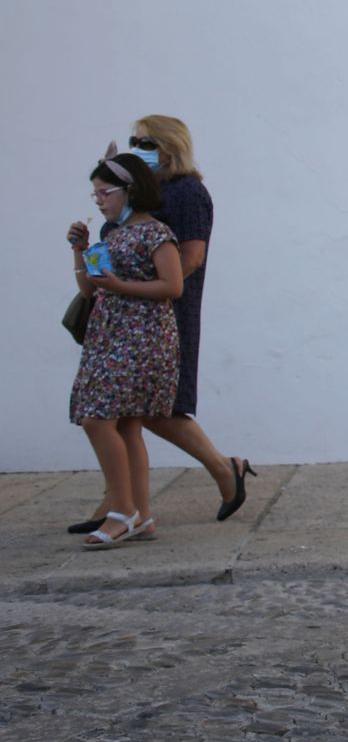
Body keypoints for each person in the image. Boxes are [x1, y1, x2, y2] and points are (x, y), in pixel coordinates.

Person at [68, 115, 255, 538]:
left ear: (168, 147)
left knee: (153, 406)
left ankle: (216, 471)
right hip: (122, 316)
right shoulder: (128, 199)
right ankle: (126, 502)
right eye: (133, 140)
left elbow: (188, 259)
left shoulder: (187, 193)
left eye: (144, 141)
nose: (136, 146)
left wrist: (136, 293)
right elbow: (103, 265)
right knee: (134, 411)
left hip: (164, 311)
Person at [66, 153, 183, 548]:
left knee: (96, 418)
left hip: (143, 339)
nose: (98, 200)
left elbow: (172, 286)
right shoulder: (110, 235)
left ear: (130, 190)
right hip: (110, 338)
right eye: (95, 193)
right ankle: (142, 515)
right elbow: (91, 290)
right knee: (127, 424)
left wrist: (120, 288)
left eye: (105, 192)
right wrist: (79, 252)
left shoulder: (156, 233)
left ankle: (123, 511)